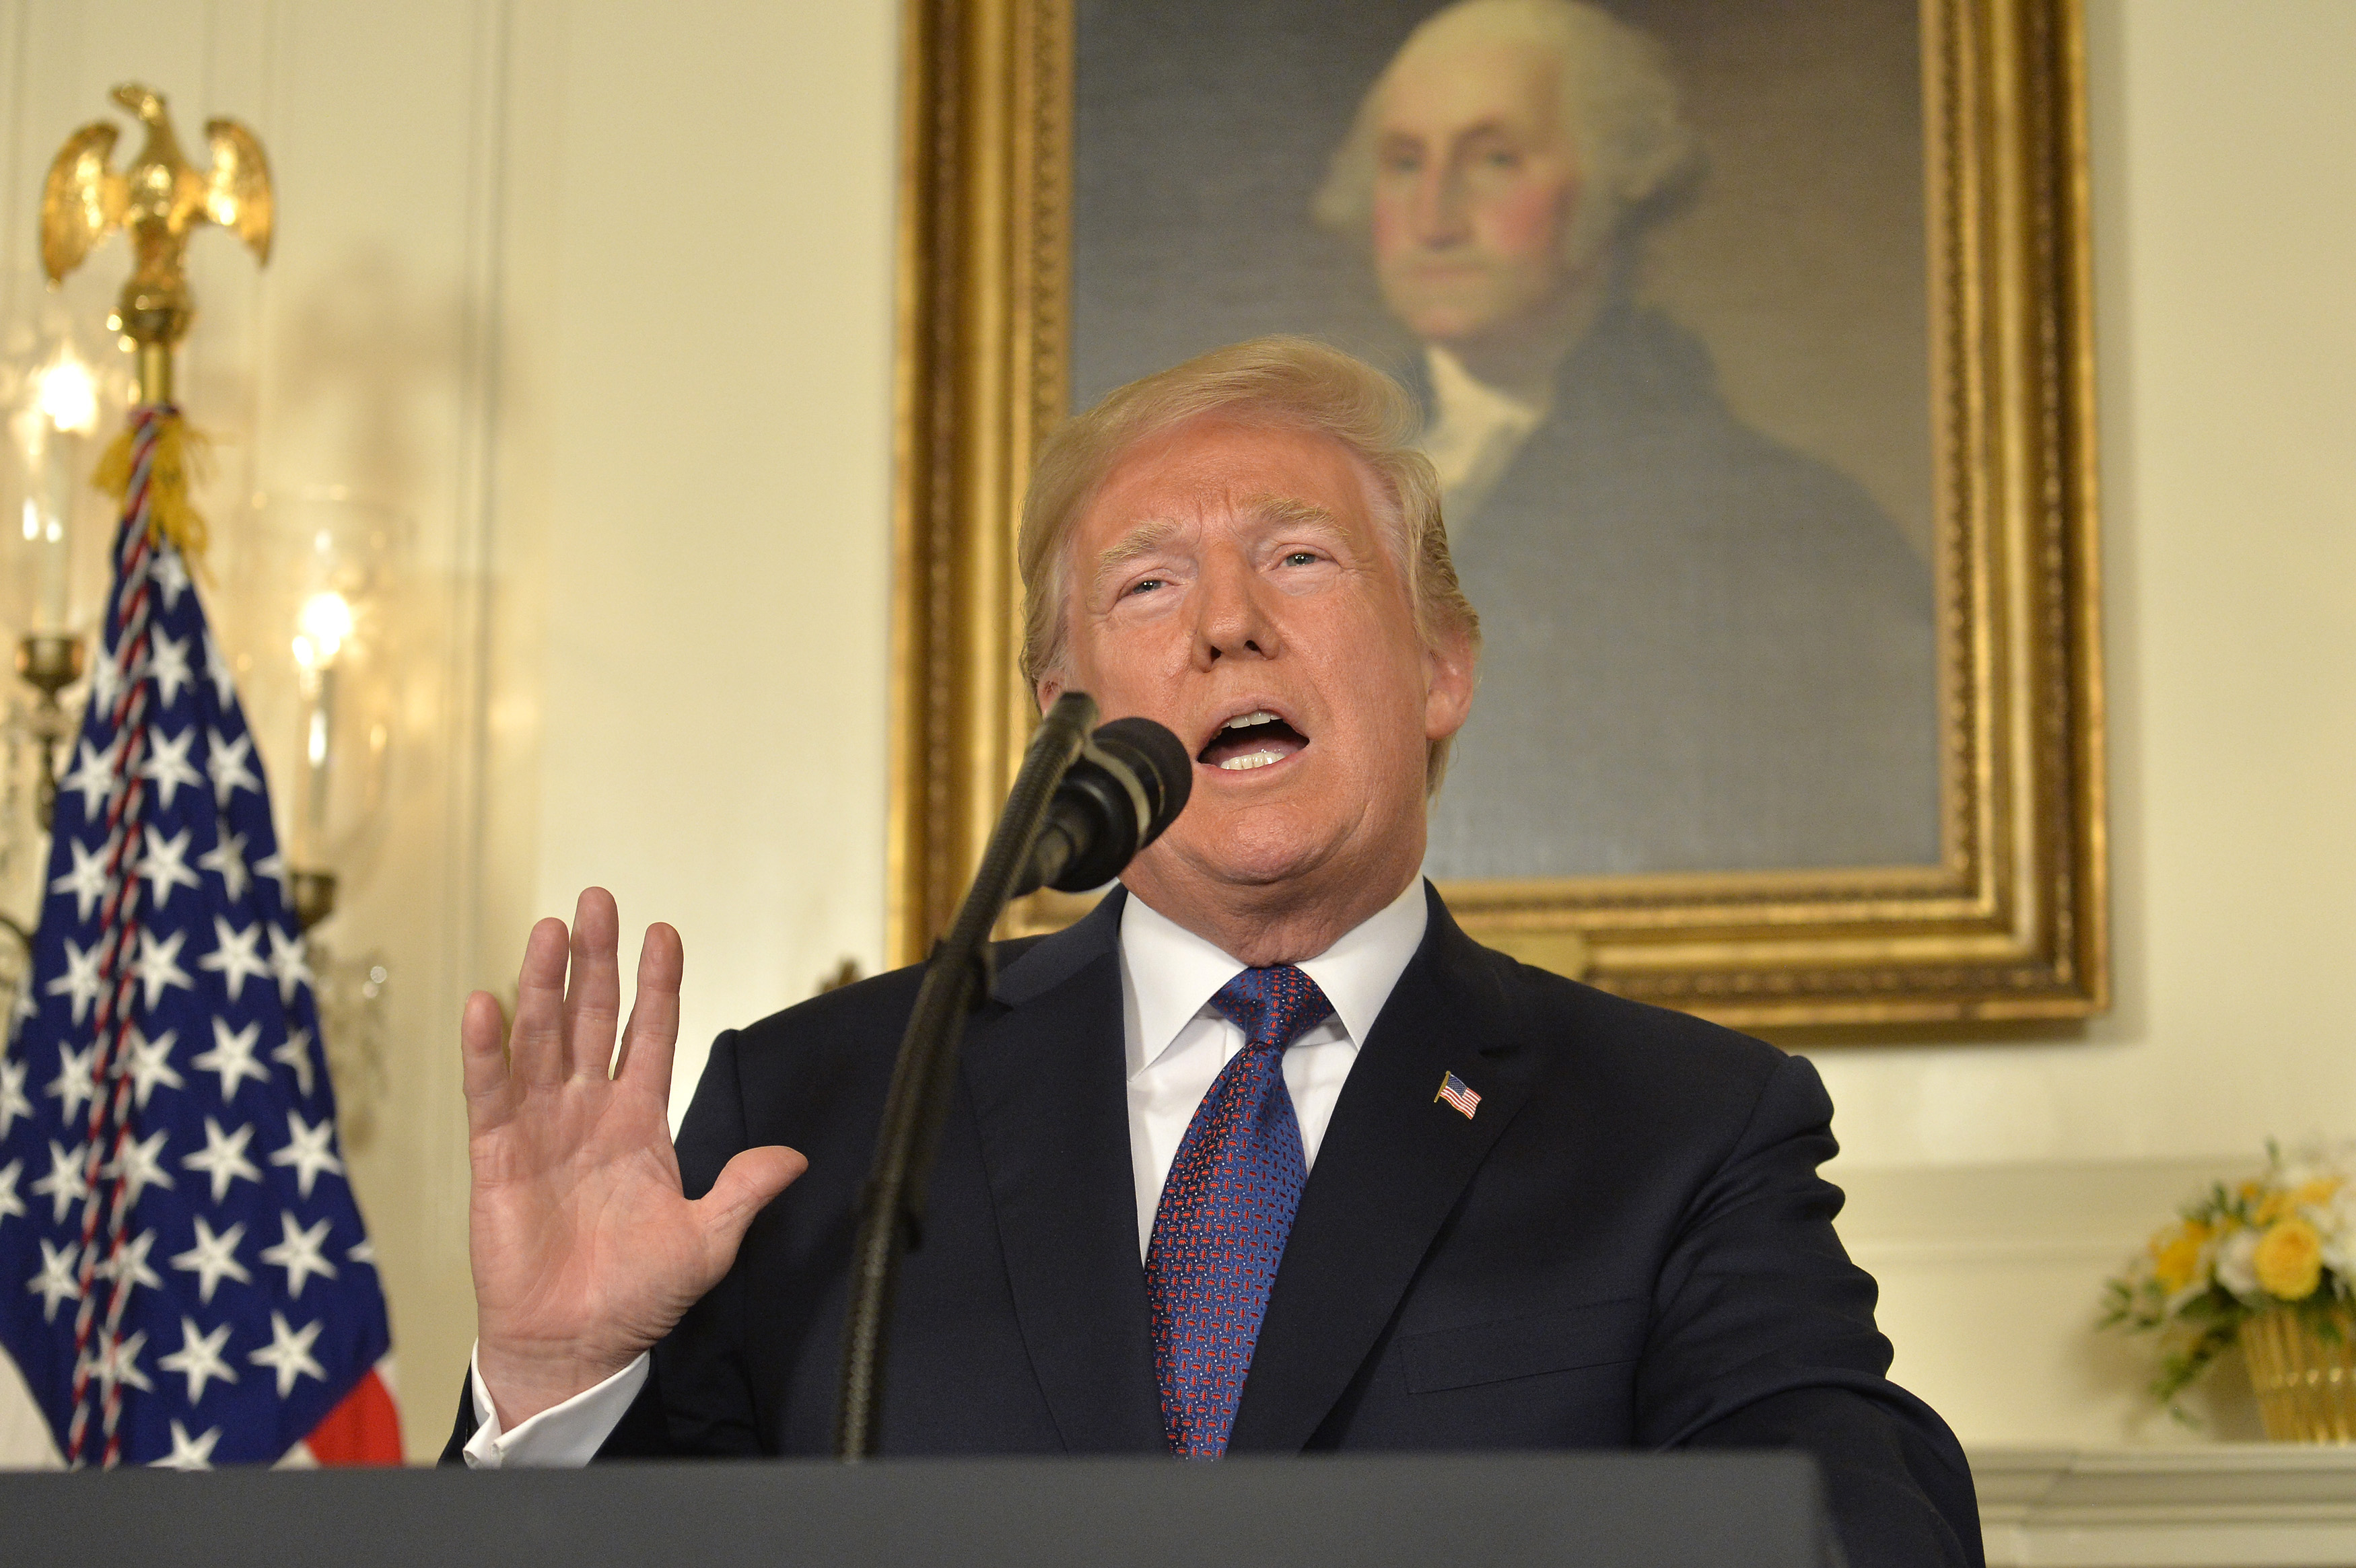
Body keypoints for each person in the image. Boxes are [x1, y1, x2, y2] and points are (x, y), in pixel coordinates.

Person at [442, 337, 1980, 1567]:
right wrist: (557, 1384)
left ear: (1440, 665)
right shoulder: (821, 1111)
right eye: (1148, 583)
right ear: (1063, 717)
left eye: (1299, 558)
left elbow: (1848, 1517)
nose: (1227, 624)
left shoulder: (1682, 1130)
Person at [1313, 0, 1941, 879]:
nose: (1434, 217)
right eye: (1405, 163)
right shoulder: (1305, 483)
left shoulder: (1788, 525)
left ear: (1614, 182)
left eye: (1494, 160)